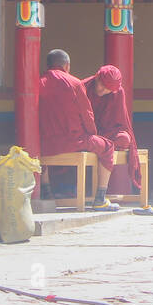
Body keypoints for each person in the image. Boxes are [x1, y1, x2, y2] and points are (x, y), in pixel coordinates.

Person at [37, 49, 119, 211]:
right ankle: (100, 199)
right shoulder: (75, 83)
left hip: (45, 144)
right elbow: (87, 115)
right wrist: (92, 134)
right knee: (108, 147)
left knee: (39, 147)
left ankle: (46, 192)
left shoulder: (38, 83)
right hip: (75, 141)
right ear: (67, 66)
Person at [85, 64, 141, 193]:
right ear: (97, 77)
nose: (103, 91)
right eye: (102, 86)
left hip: (105, 133)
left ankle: (102, 145)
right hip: (88, 133)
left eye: (108, 90)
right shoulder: (83, 87)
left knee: (124, 139)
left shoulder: (118, 92)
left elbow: (120, 122)